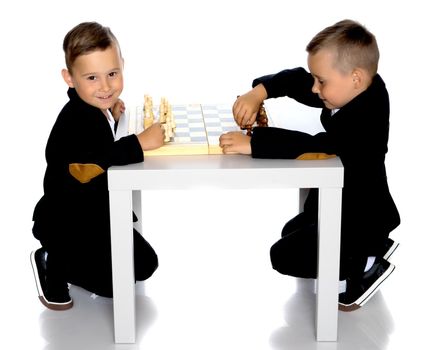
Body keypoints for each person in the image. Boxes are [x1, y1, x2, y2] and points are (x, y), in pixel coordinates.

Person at [219, 19, 400, 311]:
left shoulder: (366, 114)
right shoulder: (356, 87)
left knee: (283, 255)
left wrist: (254, 143)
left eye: (322, 81)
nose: (315, 88)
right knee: (292, 231)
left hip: (360, 214)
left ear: (355, 78)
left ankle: (364, 264)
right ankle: (366, 247)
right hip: (343, 199)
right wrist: (259, 92)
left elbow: (316, 146)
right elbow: (298, 80)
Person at [30, 22, 165, 310]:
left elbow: (98, 146)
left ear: (122, 66)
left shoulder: (93, 107)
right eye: (92, 77)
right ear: (69, 78)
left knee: (144, 265)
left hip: (96, 214)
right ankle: (51, 260)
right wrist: (139, 143)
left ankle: (78, 260)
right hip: (69, 223)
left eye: (112, 74)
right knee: (116, 287)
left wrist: (112, 116)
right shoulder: (74, 120)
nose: (105, 87)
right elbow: (88, 165)